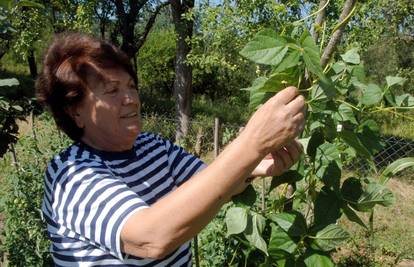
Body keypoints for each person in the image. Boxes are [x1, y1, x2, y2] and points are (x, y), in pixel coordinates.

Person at [36, 32, 305, 266]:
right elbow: (150, 239)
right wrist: (250, 144)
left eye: (131, 86)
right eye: (112, 90)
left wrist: (255, 163)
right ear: (75, 112)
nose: (130, 99)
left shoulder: (153, 146)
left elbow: (215, 184)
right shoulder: (71, 174)